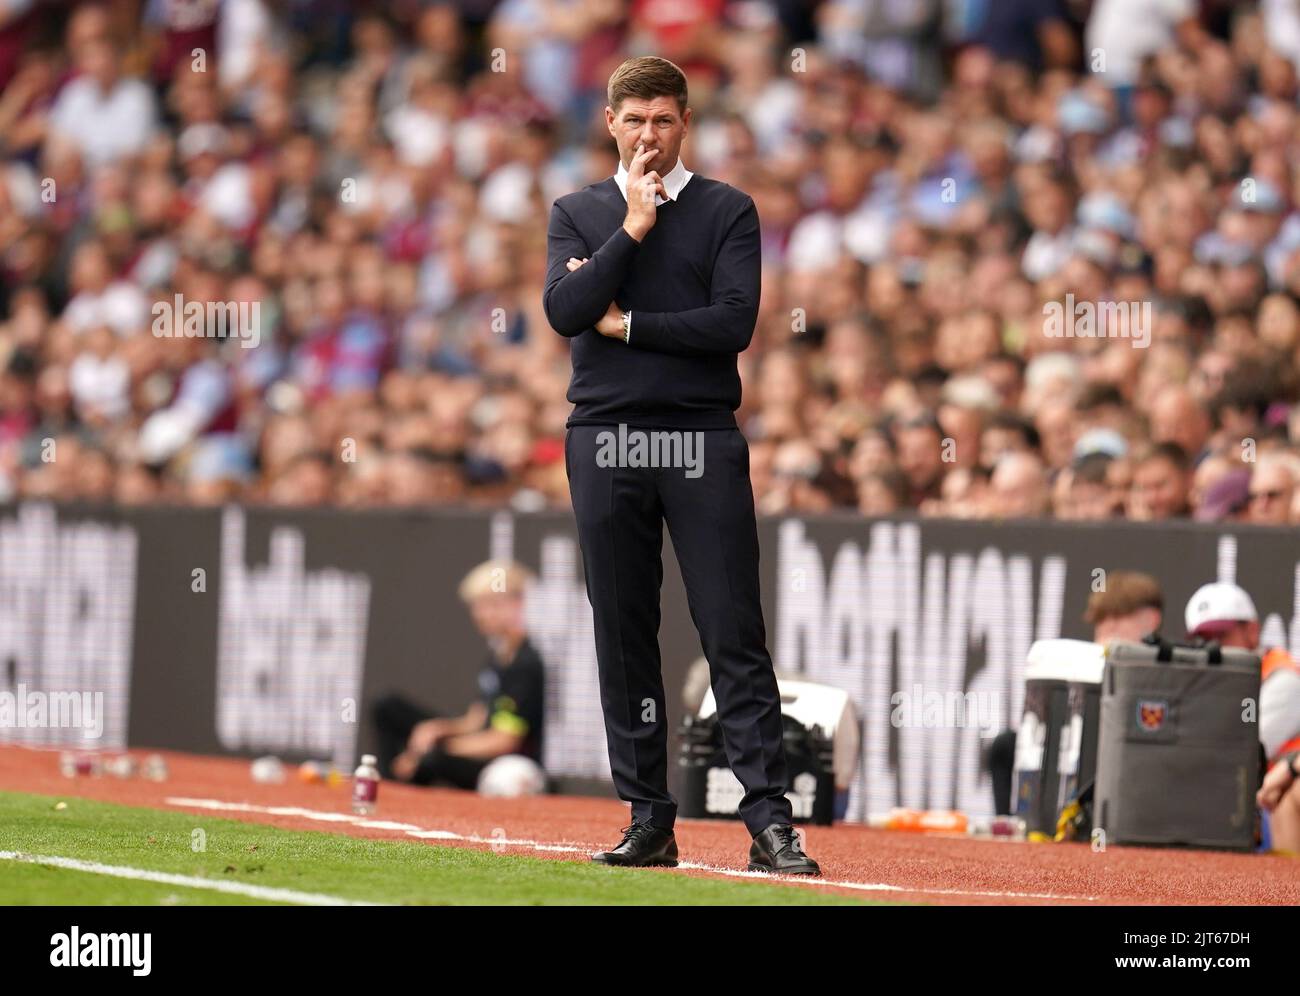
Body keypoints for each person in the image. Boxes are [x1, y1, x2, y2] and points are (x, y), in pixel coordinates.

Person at [543, 56, 819, 875]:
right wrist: (630, 230)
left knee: (732, 627)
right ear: (609, 122)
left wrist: (627, 328)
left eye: (664, 120)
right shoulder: (579, 211)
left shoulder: (728, 209)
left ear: (686, 123)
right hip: (605, 437)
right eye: (634, 121)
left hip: (699, 436)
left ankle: (769, 822)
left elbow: (732, 323)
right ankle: (649, 817)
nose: (649, 137)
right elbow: (566, 313)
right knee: (623, 633)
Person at [989, 571, 1165, 814]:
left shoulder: (1165, 670)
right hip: (1075, 743)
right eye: (1101, 619)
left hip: (1130, 753)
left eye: (1119, 616)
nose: (1109, 626)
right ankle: (1017, 826)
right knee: (1005, 745)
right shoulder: (1081, 664)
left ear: (1151, 619)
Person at [371, 559, 545, 791]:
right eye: (477, 606)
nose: (479, 614)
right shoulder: (497, 657)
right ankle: (389, 787)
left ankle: (406, 787)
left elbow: (503, 741)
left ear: (515, 604)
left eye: (488, 604)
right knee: (386, 706)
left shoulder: (526, 664)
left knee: (432, 759)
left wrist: (439, 748)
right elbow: (476, 720)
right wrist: (437, 730)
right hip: (479, 745)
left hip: (501, 765)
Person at [1183, 582, 1300, 853]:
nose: (1213, 647)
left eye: (1221, 635)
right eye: (1203, 639)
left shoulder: (1282, 680)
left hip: (1269, 802)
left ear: (1252, 630)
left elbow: (1237, 756)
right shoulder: (1208, 686)